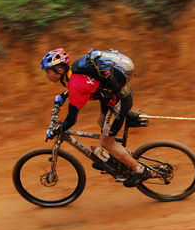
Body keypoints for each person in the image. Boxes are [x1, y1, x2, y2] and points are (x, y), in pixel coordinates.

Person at [41, 48, 149, 188]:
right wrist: (63, 96)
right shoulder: (73, 71)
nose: (47, 75)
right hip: (115, 96)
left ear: (59, 70)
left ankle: (140, 170)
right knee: (101, 122)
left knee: (106, 143)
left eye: (48, 71)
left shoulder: (74, 84)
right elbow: (84, 84)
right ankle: (117, 158)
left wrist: (55, 131)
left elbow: (71, 120)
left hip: (118, 102)